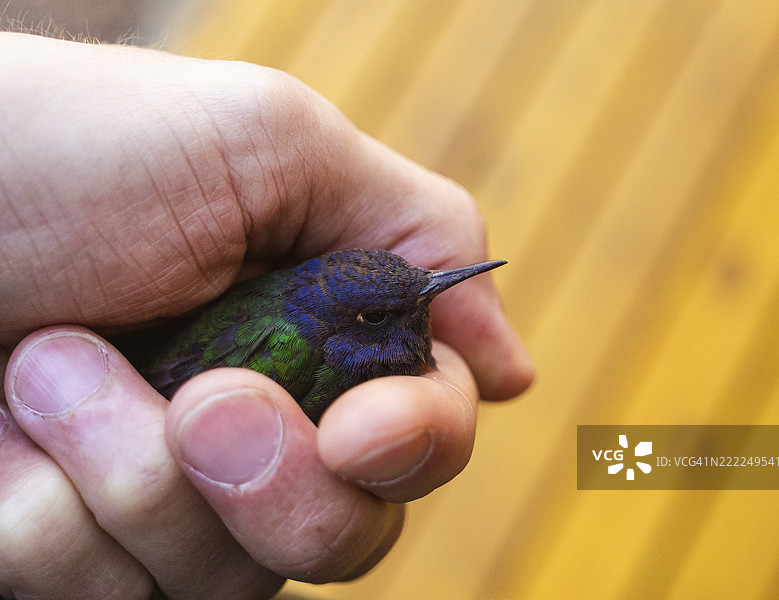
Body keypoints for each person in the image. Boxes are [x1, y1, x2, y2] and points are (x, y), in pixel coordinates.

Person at [0, 32, 534, 599]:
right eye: (381, 314)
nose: (434, 286)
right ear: (346, 327)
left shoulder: (339, 328)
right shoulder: (290, 346)